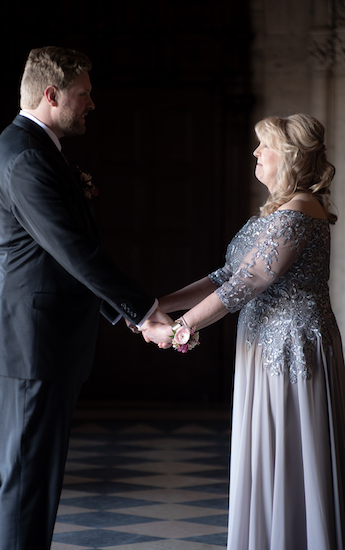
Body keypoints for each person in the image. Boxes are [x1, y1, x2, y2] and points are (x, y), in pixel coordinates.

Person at [0, 46, 171, 550]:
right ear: (51, 94)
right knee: (26, 488)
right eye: (83, 94)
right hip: (29, 341)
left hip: (38, 339)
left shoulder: (37, 148)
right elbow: (74, 252)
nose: (91, 104)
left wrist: (133, 311)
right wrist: (144, 313)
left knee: (36, 485)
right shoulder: (24, 157)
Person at [142, 114, 345, 549]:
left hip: (290, 348)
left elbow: (248, 283)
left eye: (263, 146)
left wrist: (181, 328)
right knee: (264, 453)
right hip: (262, 344)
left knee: (289, 452)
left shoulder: (301, 208)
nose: (255, 153)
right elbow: (226, 275)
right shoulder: (278, 210)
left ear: (288, 157)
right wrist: (159, 305)